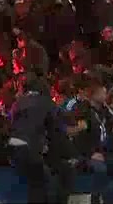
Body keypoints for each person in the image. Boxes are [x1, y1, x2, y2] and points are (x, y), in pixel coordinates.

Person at [9, 73, 74, 204]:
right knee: (47, 183)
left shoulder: (17, 103)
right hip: (30, 149)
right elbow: (56, 133)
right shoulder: (47, 103)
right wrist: (71, 154)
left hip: (13, 148)